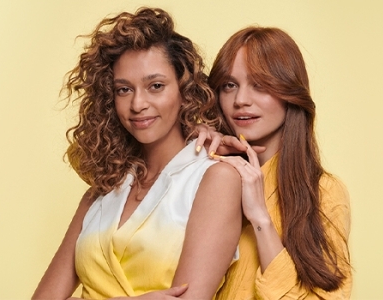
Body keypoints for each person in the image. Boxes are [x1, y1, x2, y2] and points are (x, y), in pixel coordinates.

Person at [32, 8, 242, 300]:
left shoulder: (215, 179)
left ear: (184, 89)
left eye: (155, 86)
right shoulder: (101, 191)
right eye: (123, 90)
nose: (138, 104)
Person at [195, 26, 352, 299]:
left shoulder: (323, 193)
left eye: (260, 84)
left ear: (290, 91)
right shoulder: (204, 170)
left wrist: (260, 217)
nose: (241, 100)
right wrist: (189, 153)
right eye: (229, 85)